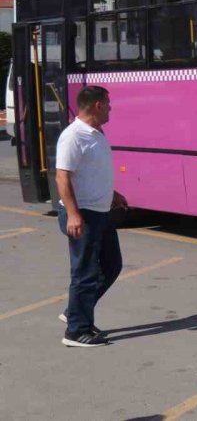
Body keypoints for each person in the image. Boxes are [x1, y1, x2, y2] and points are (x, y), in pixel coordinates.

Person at [55, 86, 127, 347]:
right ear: (97, 105)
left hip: (101, 211)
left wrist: (113, 192)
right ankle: (75, 331)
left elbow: (90, 171)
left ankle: (76, 311)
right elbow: (62, 176)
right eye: (108, 103)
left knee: (111, 265)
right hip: (83, 214)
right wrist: (73, 214)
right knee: (85, 272)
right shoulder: (74, 136)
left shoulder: (96, 133)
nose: (110, 107)